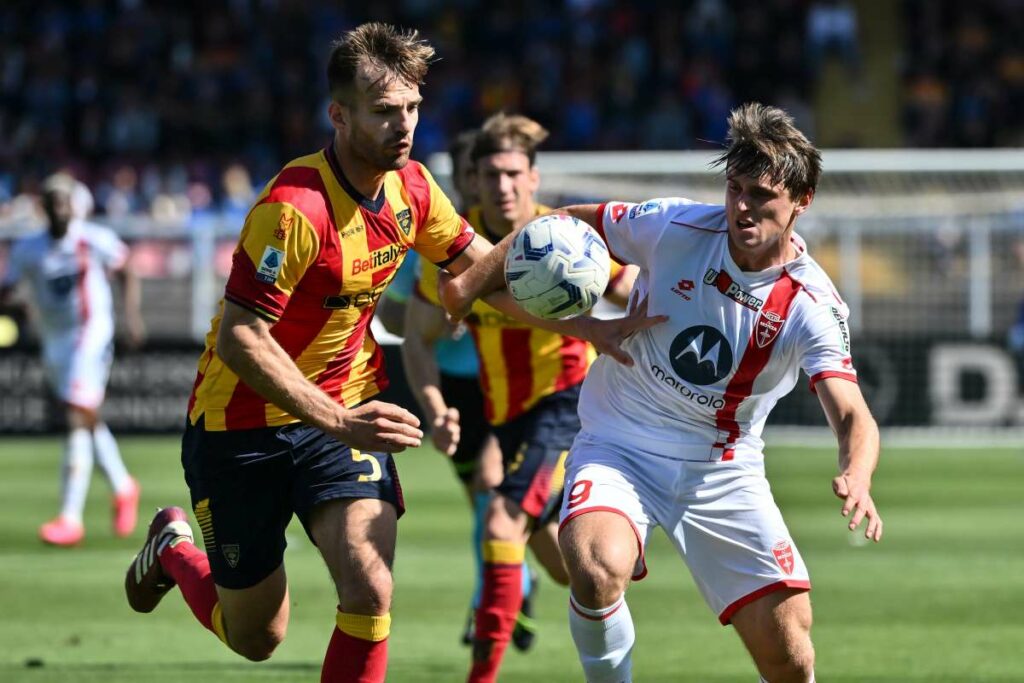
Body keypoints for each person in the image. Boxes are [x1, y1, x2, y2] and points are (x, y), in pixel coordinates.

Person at [120, 24, 654, 683]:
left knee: (371, 589)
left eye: (412, 108)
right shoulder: (292, 209)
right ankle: (173, 549)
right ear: (339, 115)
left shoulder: (414, 189)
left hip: (344, 410)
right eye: (383, 111)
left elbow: (482, 274)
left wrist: (588, 326)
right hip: (242, 427)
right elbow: (241, 336)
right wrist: (340, 420)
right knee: (256, 636)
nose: (404, 126)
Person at [441, 103, 883, 683]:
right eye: (735, 188)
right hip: (620, 441)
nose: (741, 206)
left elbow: (852, 414)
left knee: (791, 658)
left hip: (722, 469)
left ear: (802, 200)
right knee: (595, 568)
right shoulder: (675, 225)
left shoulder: (812, 305)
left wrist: (857, 473)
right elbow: (561, 220)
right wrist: (469, 284)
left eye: (761, 195)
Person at [418, 112, 636, 682]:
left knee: (500, 522)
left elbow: (628, 287)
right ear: (474, 179)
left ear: (533, 178)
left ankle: (481, 675)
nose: (503, 185)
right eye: (491, 174)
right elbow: (419, 336)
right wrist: (435, 406)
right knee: (568, 569)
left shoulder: (563, 236)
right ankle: (611, 552)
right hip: (506, 415)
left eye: (514, 173)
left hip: (569, 405)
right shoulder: (454, 245)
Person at [387, 129, 540, 650]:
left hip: (516, 383)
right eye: (471, 176)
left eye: (488, 174)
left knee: (489, 487)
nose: (479, 185)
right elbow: (400, 320)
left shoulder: (527, 235)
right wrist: (442, 314)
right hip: (458, 387)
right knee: (483, 499)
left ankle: (494, 601)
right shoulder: (433, 243)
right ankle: (516, 582)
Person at [0, 173, 144, 547]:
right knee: (86, 414)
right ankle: (123, 486)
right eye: (53, 204)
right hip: (55, 341)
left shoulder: (92, 238)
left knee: (76, 416)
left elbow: (127, 269)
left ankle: (70, 517)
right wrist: (18, 308)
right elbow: (7, 290)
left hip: (91, 333)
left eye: (65, 203)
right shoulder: (28, 248)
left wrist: (131, 317)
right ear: (44, 208)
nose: (61, 211)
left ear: (73, 207)